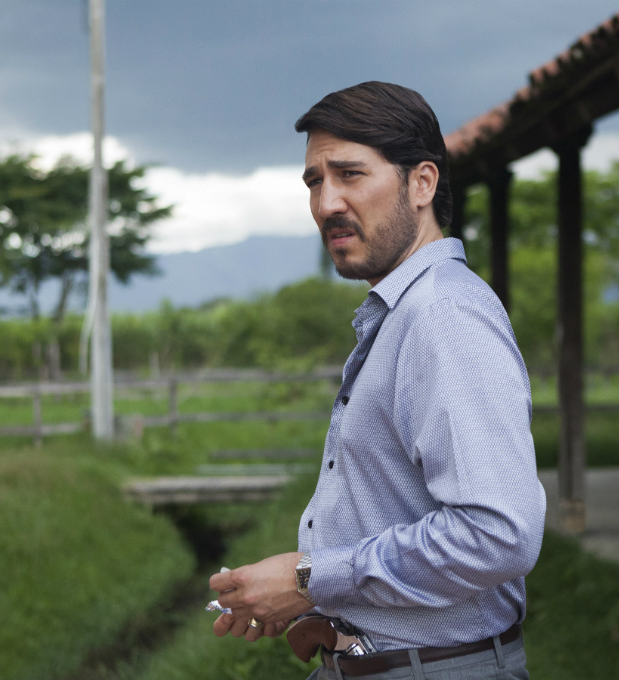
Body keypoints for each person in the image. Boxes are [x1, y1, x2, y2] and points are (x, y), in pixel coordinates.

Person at [209, 81, 546, 680]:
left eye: (350, 175)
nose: (326, 203)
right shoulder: (403, 313)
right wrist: (307, 597)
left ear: (422, 183)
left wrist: (308, 578)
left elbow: (497, 534)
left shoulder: (443, 314)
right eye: (314, 182)